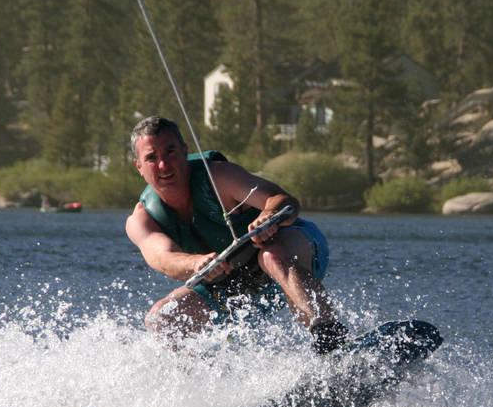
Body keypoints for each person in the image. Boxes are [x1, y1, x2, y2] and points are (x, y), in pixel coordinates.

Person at [126, 115, 348, 353]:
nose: (163, 165)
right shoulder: (141, 219)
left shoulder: (220, 177)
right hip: (232, 285)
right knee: (161, 318)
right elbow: (162, 258)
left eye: (170, 152)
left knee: (271, 256)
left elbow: (284, 202)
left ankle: (331, 343)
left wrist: (269, 216)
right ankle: (200, 385)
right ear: (139, 166)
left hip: (292, 252)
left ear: (184, 151)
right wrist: (197, 262)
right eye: (151, 158)